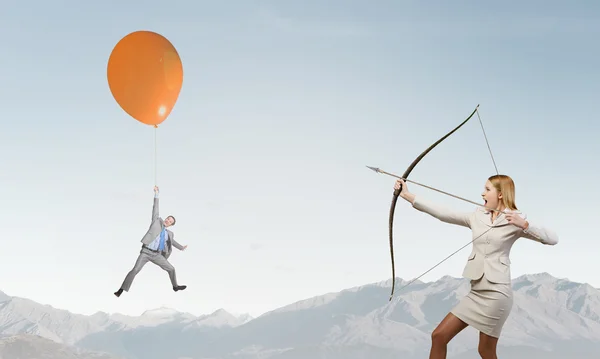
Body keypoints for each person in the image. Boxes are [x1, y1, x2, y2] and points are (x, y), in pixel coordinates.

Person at [394, 174, 558, 359]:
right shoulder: (477, 216)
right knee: (439, 336)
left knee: (485, 351)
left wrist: (525, 225)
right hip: (477, 292)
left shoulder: (515, 220)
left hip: (497, 295)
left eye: (487, 190)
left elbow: (552, 239)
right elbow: (444, 213)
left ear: (501, 194)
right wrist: (407, 196)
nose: (482, 193)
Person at [114, 186, 188, 297]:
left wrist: (181, 247)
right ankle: (121, 289)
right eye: (168, 218)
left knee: (171, 269)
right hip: (146, 252)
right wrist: (156, 194)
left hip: (157, 255)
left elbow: (173, 242)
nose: (168, 220)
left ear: (171, 225)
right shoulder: (156, 221)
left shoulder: (169, 234)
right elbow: (155, 208)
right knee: (135, 270)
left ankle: (175, 286)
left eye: (170, 221)